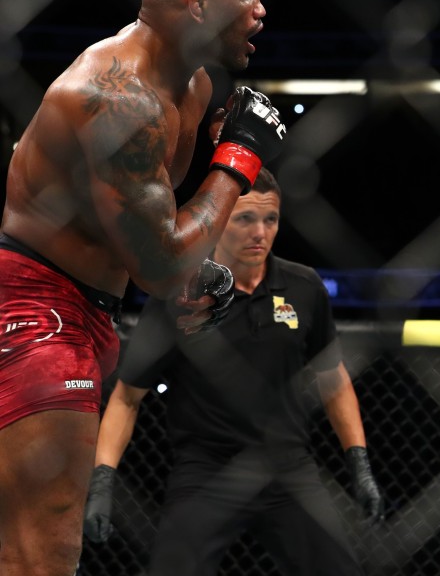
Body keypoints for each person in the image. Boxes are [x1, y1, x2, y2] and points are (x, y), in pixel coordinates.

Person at [0, 0, 286, 575]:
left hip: (89, 309)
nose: (261, 10)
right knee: (42, 556)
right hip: (35, 312)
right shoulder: (117, 98)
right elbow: (160, 269)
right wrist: (238, 158)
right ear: (197, 2)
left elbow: (145, 236)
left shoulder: (192, 87)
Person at [82, 168, 383, 576]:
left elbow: (334, 381)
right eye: (245, 218)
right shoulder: (180, 293)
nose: (260, 231)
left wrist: (359, 464)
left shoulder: (303, 287)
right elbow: (127, 397)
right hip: (206, 471)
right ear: (221, 220)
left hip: (287, 467)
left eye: (270, 219)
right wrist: (102, 482)